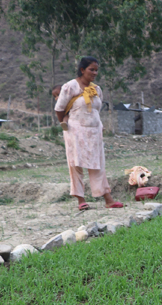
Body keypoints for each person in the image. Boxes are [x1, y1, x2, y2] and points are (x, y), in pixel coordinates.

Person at [54, 56, 123, 211]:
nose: (95, 73)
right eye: (91, 69)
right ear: (82, 70)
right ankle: (81, 200)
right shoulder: (70, 86)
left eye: (96, 70)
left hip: (94, 132)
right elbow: (59, 109)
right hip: (75, 131)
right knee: (76, 164)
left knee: (98, 164)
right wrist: (65, 123)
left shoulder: (97, 89)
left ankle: (108, 199)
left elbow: (97, 110)